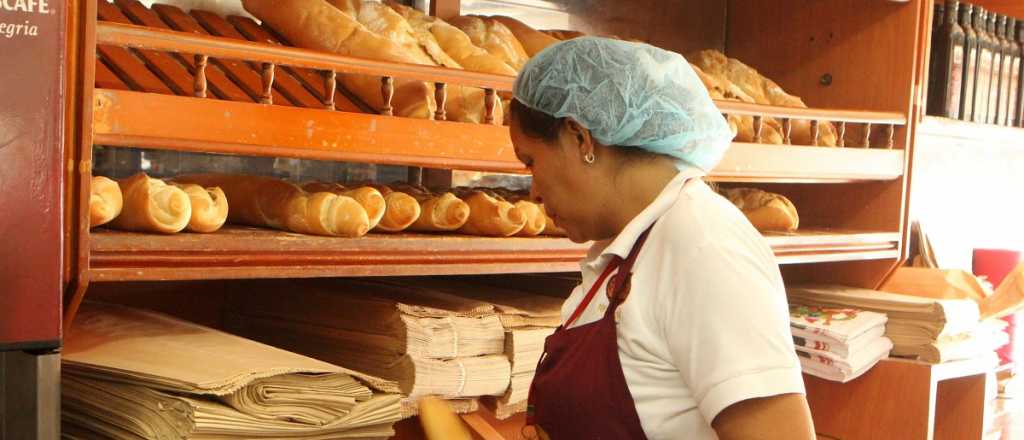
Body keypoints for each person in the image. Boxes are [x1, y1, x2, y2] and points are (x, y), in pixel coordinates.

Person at [510, 37, 816, 439]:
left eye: (530, 162)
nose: (533, 191)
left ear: (579, 137)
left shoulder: (703, 247)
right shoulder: (631, 249)